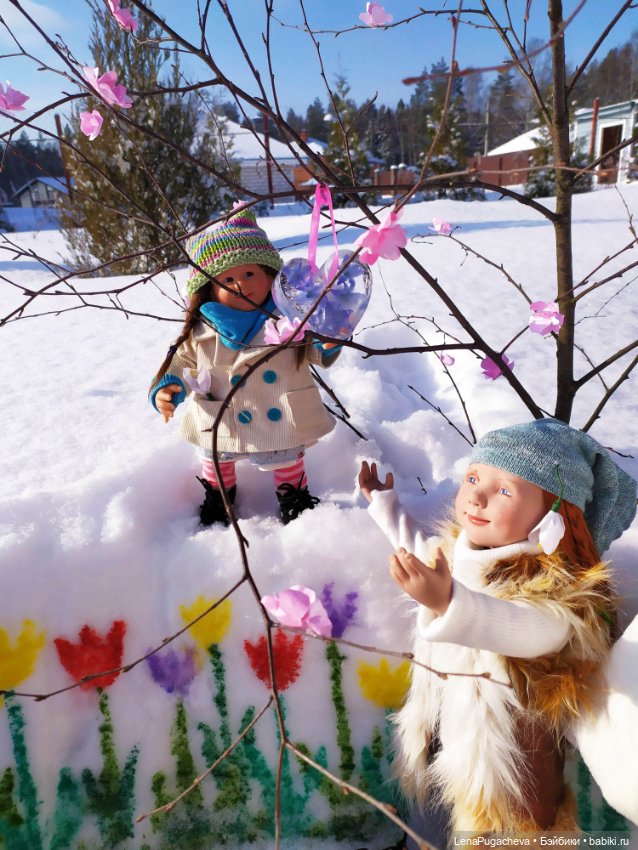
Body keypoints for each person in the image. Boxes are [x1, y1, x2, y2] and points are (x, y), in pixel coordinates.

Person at [358, 419, 637, 841]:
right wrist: (384, 505)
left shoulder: (560, 596)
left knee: (514, 832)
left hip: (514, 760)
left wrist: (447, 603)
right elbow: (418, 551)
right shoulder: (458, 553)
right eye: (473, 477)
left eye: (504, 490)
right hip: (453, 730)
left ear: (553, 516)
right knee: (448, 807)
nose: (476, 495)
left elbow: (524, 628)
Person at [150, 208, 340, 526]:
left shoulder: (291, 318)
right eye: (227, 279)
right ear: (210, 289)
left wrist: (327, 342)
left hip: (280, 412)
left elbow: (313, 351)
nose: (240, 284)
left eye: (249, 274)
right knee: (216, 458)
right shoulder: (202, 328)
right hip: (222, 413)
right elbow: (183, 360)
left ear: (269, 274)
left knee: (287, 461)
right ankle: (219, 496)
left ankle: (294, 498)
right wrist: (169, 387)